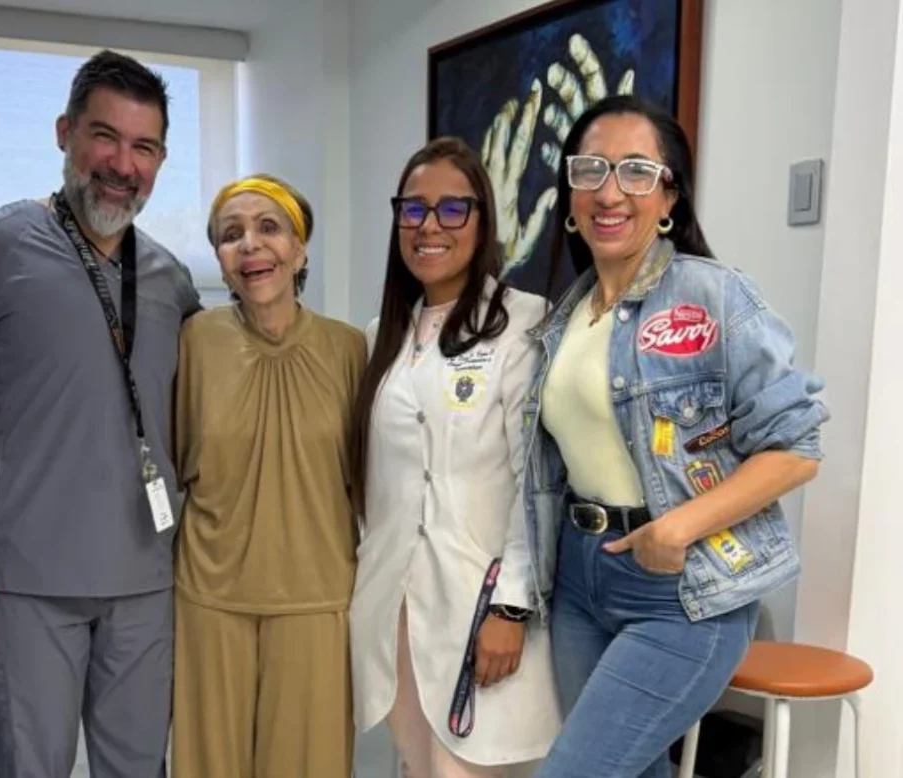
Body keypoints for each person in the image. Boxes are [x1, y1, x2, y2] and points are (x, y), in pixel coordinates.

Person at [0, 50, 200, 778]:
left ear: (161, 160)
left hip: (145, 581)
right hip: (24, 580)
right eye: (105, 136)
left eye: (144, 147)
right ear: (65, 132)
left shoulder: (172, 280)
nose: (123, 164)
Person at [521, 95, 829, 778]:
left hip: (682, 587)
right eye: (591, 169)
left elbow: (795, 449)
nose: (609, 192)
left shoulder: (714, 296)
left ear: (668, 197)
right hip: (579, 579)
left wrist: (677, 527)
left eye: (636, 170)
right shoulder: (565, 317)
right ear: (570, 196)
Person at [348, 136, 561, 778]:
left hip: (479, 611)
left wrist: (511, 606)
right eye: (413, 209)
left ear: (482, 219)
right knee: (417, 765)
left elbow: (535, 482)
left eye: (452, 208)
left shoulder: (522, 324)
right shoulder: (381, 338)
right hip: (394, 611)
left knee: (463, 766)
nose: (429, 226)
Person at [169, 174, 366, 778]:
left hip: (317, 598)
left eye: (269, 228)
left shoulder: (350, 350)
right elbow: (155, 444)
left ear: (300, 249)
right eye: (231, 235)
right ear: (220, 261)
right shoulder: (193, 341)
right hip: (210, 597)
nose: (250, 245)